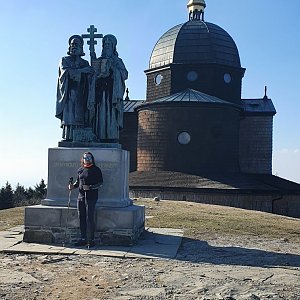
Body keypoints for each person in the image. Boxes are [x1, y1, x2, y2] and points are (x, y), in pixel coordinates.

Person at [88, 34, 128, 142]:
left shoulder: (117, 61)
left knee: (110, 115)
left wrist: (113, 69)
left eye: (109, 44)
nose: (106, 46)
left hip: (111, 94)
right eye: (105, 44)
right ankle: (97, 136)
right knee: (98, 115)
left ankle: (110, 137)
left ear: (113, 46)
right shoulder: (98, 60)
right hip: (99, 92)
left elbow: (125, 75)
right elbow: (92, 75)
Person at [56, 35, 94, 141]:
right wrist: (82, 71)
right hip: (69, 92)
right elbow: (65, 73)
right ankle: (68, 137)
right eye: (72, 44)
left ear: (81, 47)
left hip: (81, 93)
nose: (73, 46)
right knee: (70, 116)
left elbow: (90, 79)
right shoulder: (65, 60)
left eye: (76, 44)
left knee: (80, 116)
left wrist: (91, 74)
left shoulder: (84, 63)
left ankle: (80, 137)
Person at [69, 152, 103, 248]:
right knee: (82, 218)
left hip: (91, 197)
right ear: (82, 159)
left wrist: (91, 187)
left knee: (90, 218)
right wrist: (72, 186)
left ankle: (91, 239)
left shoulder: (96, 170)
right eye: (85, 157)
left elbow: (100, 183)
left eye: (89, 157)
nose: (87, 159)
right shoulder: (80, 170)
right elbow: (77, 182)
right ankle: (83, 238)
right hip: (81, 197)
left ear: (92, 158)